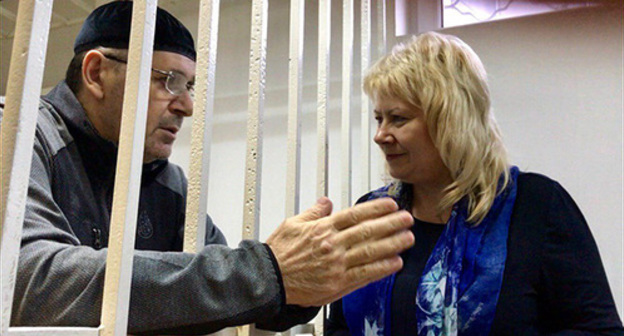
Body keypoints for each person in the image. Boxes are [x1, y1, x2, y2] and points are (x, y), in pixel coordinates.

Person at [3, 2, 416, 335]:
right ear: (96, 74)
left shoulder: (165, 180)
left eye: (190, 86)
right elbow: (26, 282)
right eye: (169, 81)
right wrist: (266, 273)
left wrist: (297, 286)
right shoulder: (18, 139)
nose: (187, 105)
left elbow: (226, 287)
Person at [325, 32, 624, 335]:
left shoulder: (537, 207)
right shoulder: (371, 215)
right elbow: (339, 328)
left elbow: (599, 331)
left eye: (398, 119)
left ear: (451, 120)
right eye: (379, 119)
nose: (381, 135)